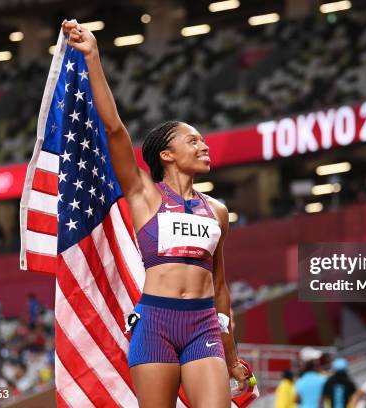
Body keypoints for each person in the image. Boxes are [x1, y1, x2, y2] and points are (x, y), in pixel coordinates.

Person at [61, 20, 249, 408]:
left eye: (203, 140)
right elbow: (113, 129)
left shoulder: (218, 211)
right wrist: (93, 56)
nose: (204, 146)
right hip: (156, 325)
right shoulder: (144, 194)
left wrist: (232, 358)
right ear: (166, 154)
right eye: (192, 140)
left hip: (203, 327)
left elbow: (221, 285)